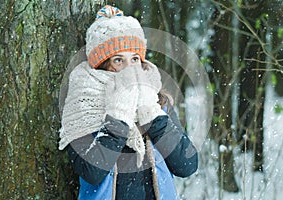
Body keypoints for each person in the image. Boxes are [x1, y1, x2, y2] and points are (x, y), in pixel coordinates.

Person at [59, 5, 198, 200]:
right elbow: (91, 171)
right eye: (118, 60)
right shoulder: (83, 105)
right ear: (102, 65)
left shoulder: (157, 101)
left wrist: (151, 114)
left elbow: (187, 164)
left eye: (134, 59)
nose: (129, 68)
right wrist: (119, 114)